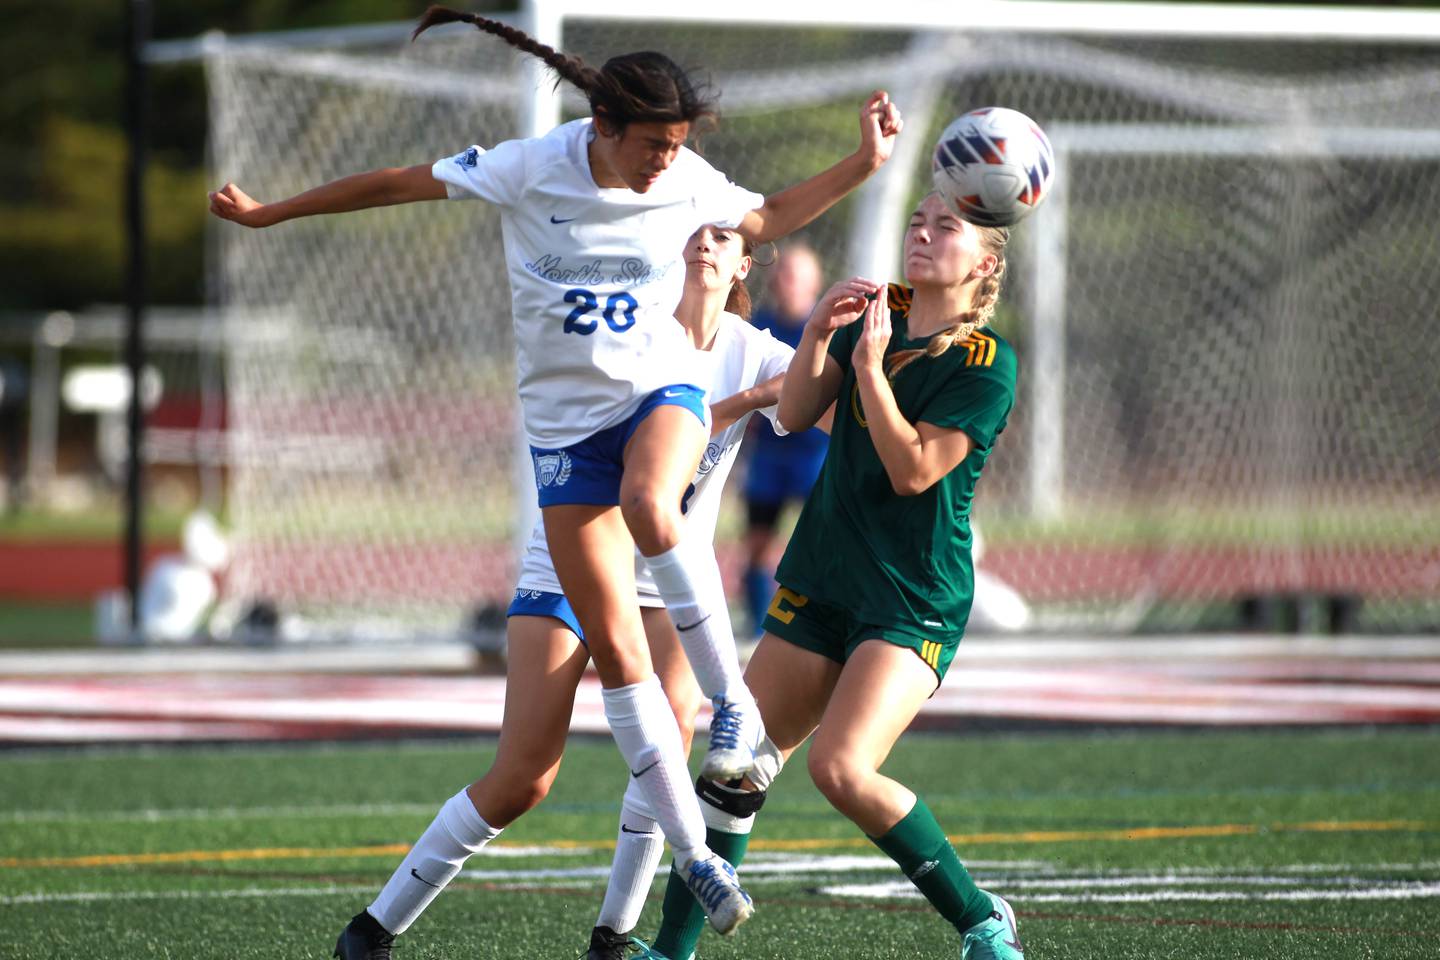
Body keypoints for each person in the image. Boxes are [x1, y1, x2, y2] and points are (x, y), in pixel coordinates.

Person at [209, 6, 900, 955]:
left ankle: (720, 733)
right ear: (603, 126)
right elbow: (395, 183)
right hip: (568, 445)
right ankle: (661, 861)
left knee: (654, 505)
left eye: (680, 145)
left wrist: (864, 168)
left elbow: (772, 220)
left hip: (653, 402)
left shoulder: (708, 252)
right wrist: (270, 212)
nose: (670, 163)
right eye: (652, 143)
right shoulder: (532, 167)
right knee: (543, 754)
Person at [645, 192, 1025, 960]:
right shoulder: (873, 314)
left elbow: (913, 470)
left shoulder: (987, 362)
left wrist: (869, 369)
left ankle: (985, 921)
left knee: (841, 768)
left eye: (945, 227)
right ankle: (671, 952)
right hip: (822, 578)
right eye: (917, 219)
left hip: (909, 599)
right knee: (733, 765)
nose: (921, 232)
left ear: (983, 263)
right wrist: (820, 328)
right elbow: (796, 411)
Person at [740, 243, 827, 636]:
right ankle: (758, 625)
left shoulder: (828, 329)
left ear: (814, 284)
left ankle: (823, 619)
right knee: (757, 543)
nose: (785, 281)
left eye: (796, 275)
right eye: (783, 273)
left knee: (825, 540)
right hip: (770, 457)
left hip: (814, 454)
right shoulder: (758, 326)